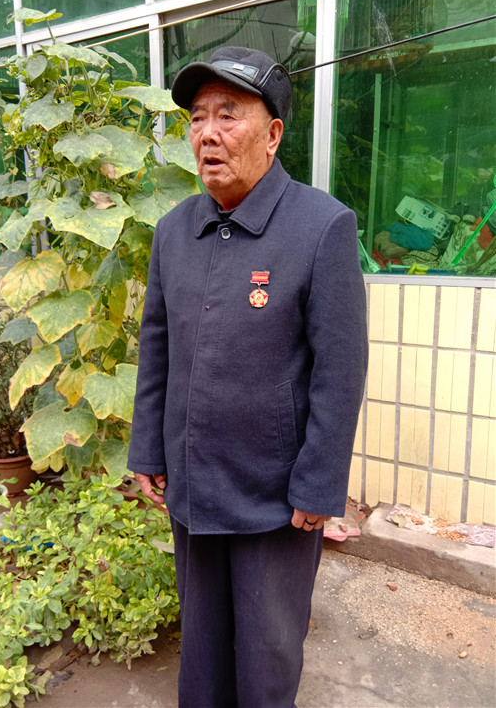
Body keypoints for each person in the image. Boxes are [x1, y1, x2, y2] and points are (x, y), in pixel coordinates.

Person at [128, 46, 368, 708]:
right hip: (193, 485)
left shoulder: (322, 227)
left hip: (275, 501)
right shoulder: (174, 231)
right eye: (197, 118)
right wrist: (148, 449)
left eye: (228, 115)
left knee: (266, 660)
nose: (207, 134)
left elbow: (339, 369)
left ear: (273, 133)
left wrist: (319, 485)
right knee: (202, 655)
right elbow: (156, 347)